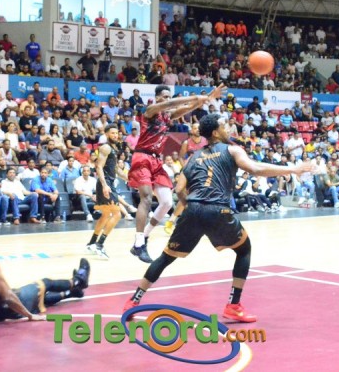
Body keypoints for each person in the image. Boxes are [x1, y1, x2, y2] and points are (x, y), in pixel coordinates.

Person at [124, 113, 322, 322]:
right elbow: (255, 168)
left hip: (192, 210)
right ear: (216, 132)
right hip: (217, 210)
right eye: (223, 126)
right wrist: (293, 169)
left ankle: (133, 301)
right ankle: (233, 305)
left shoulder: (193, 157)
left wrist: (192, 208)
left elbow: (180, 189)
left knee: (166, 258)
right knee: (244, 250)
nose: (227, 129)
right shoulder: (232, 150)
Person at [129, 84, 225, 263]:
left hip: (156, 160)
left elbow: (188, 107)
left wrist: (208, 97)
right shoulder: (150, 110)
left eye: (168, 96)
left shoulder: (167, 116)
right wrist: (195, 97)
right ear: (157, 97)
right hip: (142, 156)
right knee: (147, 198)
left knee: (166, 202)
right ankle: (138, 242)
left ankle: (144, 238)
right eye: (164, 96)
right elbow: (172, 104)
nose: (167, 99)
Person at [0, 229, 90, 321]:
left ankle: (71, 293)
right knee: (44, 284)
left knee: (38, 298)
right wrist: (29, 315)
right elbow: (8, 296)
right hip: (10, 310)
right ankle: (79, 280)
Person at [85, 125, 124, 260]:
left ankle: (91, 243)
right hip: (105, 183)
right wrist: (105, 185)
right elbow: (99, 167)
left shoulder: (114, 148)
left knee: (106, 214)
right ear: (106, 134)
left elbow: (116, 170)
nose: (115, 135)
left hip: (109, 182)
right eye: (112, 133)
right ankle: (99, 244)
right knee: (117, 214)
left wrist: (130, 179)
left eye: (116, 133)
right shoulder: (105, 147)